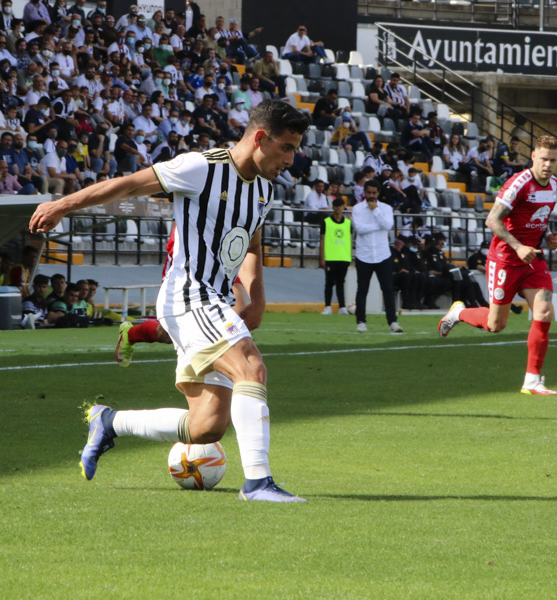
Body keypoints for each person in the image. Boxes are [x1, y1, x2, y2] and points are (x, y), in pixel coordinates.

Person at [28, 100, 311, 503]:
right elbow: (129, 183)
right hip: (189, 294)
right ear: (261, 138)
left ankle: (110, 422)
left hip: (213, 298)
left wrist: (257, 295)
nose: (292, 158)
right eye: (287, 147)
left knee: (207, 426)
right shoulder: (202, 167)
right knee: (251, 367)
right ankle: (258, 484)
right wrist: (63, 204)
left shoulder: (263, 189)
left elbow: (251, 241)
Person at [437, 135, 557, 395]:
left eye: (552, 160)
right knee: (496, 325)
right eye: (543, 159)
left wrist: (550, 236)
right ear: (533, 156)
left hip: (533, 259)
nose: (548, 165)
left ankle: (532, 380)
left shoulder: (554, 186)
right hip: (506, 258)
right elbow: (492, 220)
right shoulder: (519, 183)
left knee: (544, 312)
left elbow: (539, 216)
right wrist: (518, 246)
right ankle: (458, 313)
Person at [351, 180, 402, 334]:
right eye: (368, 193)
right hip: (364, 254)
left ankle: (393, 322)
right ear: (364, 193)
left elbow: (387, 226)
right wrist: (377, 226)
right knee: (362, 289)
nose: (371, 196)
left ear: (378, 193)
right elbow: (359, 228)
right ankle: (361, 321)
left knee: (387, 289)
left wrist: (376, 211)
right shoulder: (358, 208)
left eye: (374, 193)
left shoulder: (385, 208)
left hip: (382, 254)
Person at [319, 197, 351, 315]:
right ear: (333, 207)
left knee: (341, 282)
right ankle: (328, 306)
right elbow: (322, 240)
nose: (338, 208)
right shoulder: (326, 222)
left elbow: (350, 240)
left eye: (340, 205)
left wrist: (350, 256)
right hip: (330, 257)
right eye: (336, 206)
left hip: (343, 257)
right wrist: (322, 258)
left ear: (343, 207)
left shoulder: (348, 223)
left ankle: (342, 307)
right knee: (329, 282)